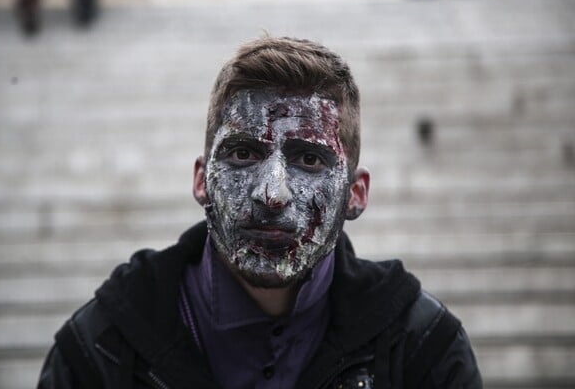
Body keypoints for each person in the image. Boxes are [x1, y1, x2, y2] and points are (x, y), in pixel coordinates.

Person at [38, 36, 482, 388]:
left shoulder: (424, 349)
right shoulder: (98, 350)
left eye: (309, 159)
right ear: (200, 180)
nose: (272, 194)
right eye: (244, 153)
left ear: (355, 193)